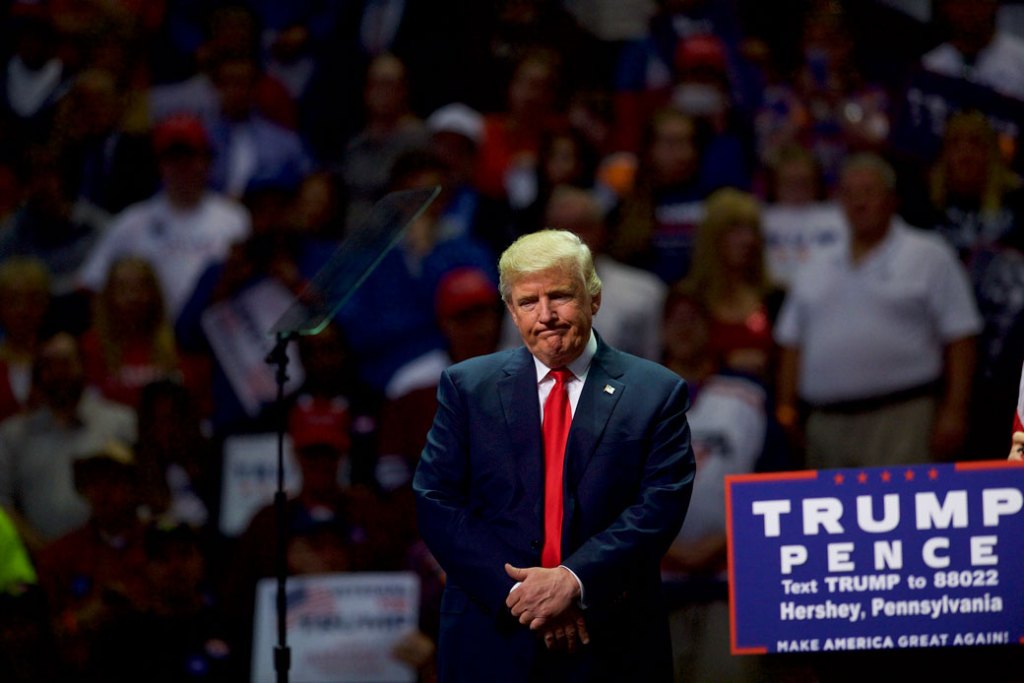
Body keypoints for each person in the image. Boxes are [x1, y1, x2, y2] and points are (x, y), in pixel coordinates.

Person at [413, 229, 695, 681]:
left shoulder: (655, 393)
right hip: (492, 635)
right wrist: (525, 599)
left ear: (594, 298)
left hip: (610, 637)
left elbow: (658, 507)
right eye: (528, 302)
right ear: (511, 310)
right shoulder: (467, 388)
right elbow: (435, 501)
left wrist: (574, 582)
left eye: (560, 296)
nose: (546, 316)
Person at [774, 153, 982, 467]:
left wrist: (955, 410)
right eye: (849, 193)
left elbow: (961, 336)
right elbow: (791, 343)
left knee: (907, 511)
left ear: (891, 199)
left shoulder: (928, 255)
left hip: (903, 416)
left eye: (869, 192)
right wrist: (786, 410)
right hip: (825, 422)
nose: (859, 202)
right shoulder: (815, 262)